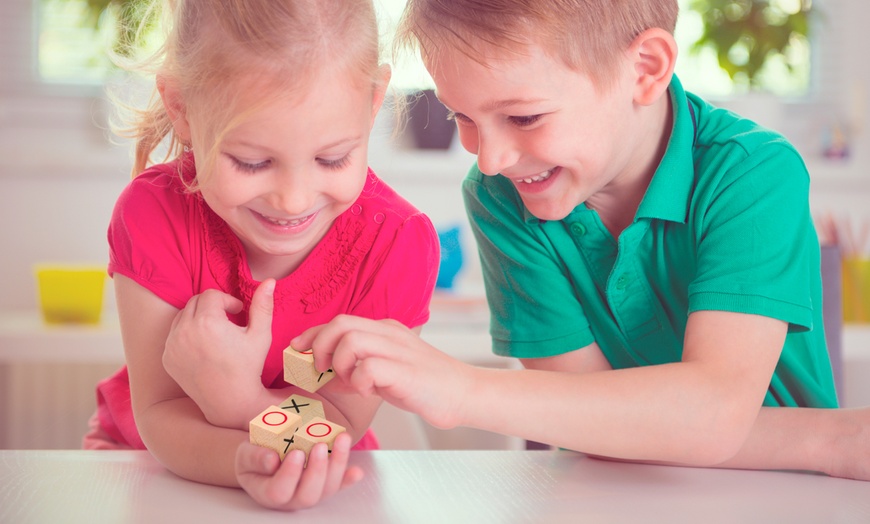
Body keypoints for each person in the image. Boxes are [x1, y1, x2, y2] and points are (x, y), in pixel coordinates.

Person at [295, 0, 870, 480]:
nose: (489, 159)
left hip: (788, 498)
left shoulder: (752, 173)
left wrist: (462, 390)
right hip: (614, 494)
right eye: (461, 117)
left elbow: (710, 414)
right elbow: (596, 429)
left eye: (524, 119)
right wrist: (824, 439)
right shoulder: (501, 199)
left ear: (645, 67)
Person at [83, 0, 440, 510]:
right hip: (150, 473)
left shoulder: (398, 245)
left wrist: (240, 401)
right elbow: (160, 411)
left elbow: (336, 426)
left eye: (331, 158)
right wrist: (241, 460)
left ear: (374, 99)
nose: (293, 200)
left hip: (317, 486)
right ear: (182, 107)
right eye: (252, 162)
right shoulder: (152, 214)